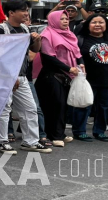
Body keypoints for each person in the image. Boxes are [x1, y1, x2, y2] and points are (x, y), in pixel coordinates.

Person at [0, 0, 50, 154]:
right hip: (4, 76)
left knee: (30, 109)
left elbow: (34, 50)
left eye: (26, 10)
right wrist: (10, 76)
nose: (26, 13)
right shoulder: (0, 31)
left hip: (22, 76)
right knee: (4, 109)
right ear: (11, 13)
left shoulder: (24, 29)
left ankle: (30, 141)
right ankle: (2, 142)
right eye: (23, 10)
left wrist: (36, 40)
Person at [71, 14, 108, 142]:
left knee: (104, 106)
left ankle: (100, 131)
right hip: (87, 80)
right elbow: (74, 57)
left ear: (106, 25)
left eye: (101, 22)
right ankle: (79, 131)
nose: (98, 25)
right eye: (94, 22)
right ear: (88, 25)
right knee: (84, 105)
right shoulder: (81, 39)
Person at [35, 11, 84, 147]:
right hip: (51, 75)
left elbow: (77, 52)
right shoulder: (47, 35)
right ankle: (53, 135)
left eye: (66, 19)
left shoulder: (70, 34)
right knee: (55, 105)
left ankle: (59, 133)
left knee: (62, 106)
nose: (65, 21)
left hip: (66, 75)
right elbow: (48, 57)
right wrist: (68, 68)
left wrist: (81, 63)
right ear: (54, 20)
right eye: (61, 19)